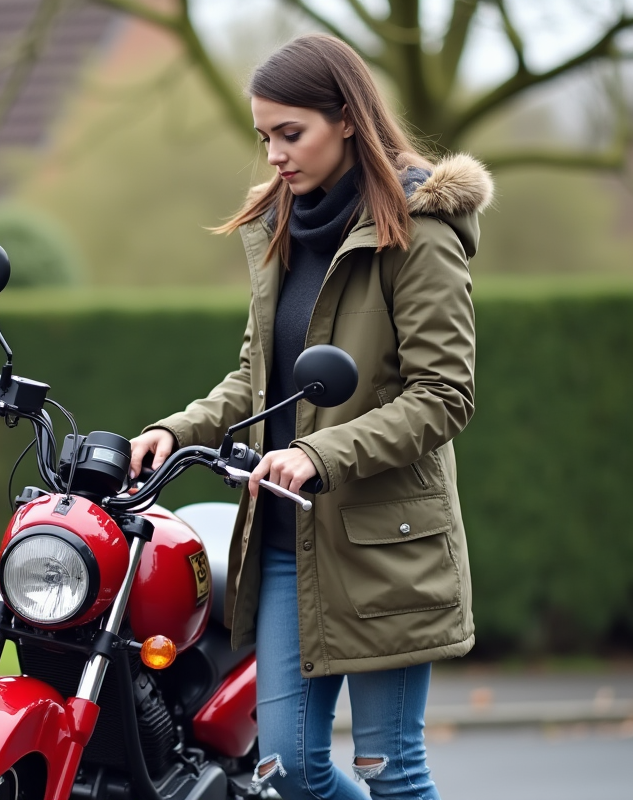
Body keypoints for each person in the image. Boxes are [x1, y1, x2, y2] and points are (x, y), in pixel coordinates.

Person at [129, 33, 492, 800]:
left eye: (290, 134)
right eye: (264, 137)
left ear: (348, 119)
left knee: (391, 769)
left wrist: (323, 453)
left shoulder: (418, 232)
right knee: (286, 765)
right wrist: (176, 430)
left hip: (388, 542)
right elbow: (256, 380)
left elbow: (443, 394)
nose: (274, 157)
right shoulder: (281, 227)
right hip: (289, 541)